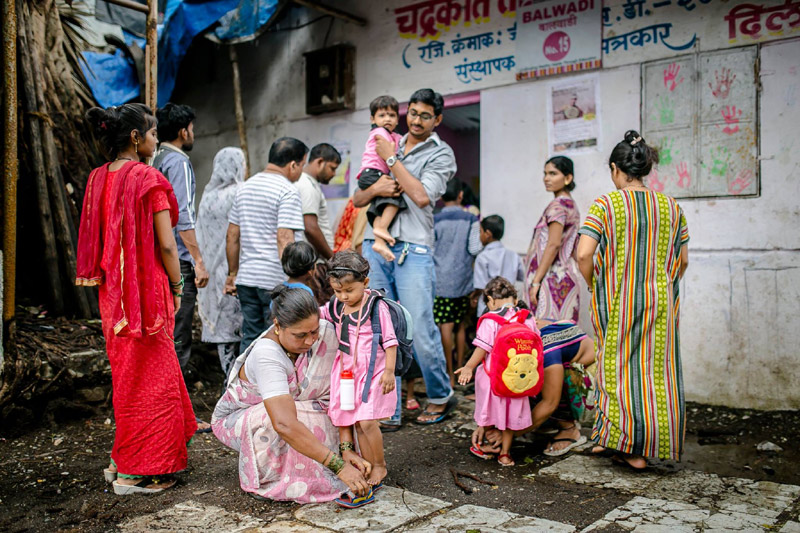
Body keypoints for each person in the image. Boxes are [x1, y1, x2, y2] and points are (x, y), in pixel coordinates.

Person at [78, 104, 197, 494]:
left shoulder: (97, 179)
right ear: (135, 137)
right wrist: (178, 287)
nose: (156, 139)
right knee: (156, 382)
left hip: (114, 298)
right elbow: (167, 244)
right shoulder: (148, 177)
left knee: (128, 379)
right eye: (152, 132)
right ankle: (138, 472)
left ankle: (121, 459)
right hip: (146, 295)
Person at [576, 130, 689, 469]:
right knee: (655, 373)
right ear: (645, 168)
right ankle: (614, 437)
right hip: (660, 302)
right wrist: (664, 287)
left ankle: (632, 449)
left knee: (616, 369)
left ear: (616, 169)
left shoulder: (606, 204)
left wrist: (595, 283)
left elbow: (584, 254)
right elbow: (682, 260)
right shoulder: (671, 206)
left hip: (618, 302)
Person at [353, 88, 457, 426]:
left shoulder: (441, 153)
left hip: (413, 247)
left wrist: (392, 160)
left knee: (421, 328)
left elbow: (422, 196)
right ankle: (390, 409)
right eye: (412, 112)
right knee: (380, 329)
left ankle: (441, 396)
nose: (416, 120)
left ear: (437, 119)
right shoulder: (386, 139)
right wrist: (376, 189)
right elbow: (358, 198)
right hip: (376, 244)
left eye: (425, 115)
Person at [211, 286, 372, 502]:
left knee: (322, 411)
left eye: (313, 331)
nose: (310, 341)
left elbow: (336, 395)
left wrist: (346, 447)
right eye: (300, 335)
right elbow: (284, 423)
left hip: (296, 409)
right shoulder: (266, 355)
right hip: (242, 419)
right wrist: (338, 467)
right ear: (277, 325)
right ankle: (279, 481)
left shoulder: (324, 332)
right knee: (286, 418)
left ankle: (324, 470)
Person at [465, 285, 596, 462]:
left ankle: (569, 429)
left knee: (546, 385)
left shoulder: (545, 349)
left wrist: (510, 433)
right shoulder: (522, 331)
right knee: (516, 378)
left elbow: (550, 402)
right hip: (554, 361)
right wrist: (486, 424)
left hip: (587, 374)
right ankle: (540, 422)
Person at [320, 251, 398, 505]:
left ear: (365, 283)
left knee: (366, 422)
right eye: (337, 291)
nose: (343, 297)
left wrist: (389, 371)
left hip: (373, 373)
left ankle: (380, 464)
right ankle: (367, 460)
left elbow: (390, 342)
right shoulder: (336, 306)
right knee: (355, 421)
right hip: (347, 374)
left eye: (349, 291)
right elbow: (318, 314)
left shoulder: (378, 307)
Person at [224, 137, 307, 353]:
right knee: (276, 338)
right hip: (273, 279)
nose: (300, 173)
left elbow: (232, 236)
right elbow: (284, 238)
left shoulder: (243, 188)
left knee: (250, 335)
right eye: (302, 166)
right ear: (293, 165)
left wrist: (232, 274)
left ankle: (243, 384)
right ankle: (270, 385)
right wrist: (292, 278)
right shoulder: (287, 191)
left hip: (246, 279)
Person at [152, 103, 209, 386]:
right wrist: (198, 261)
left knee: (161, 330)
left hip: (153, 259)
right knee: (179, 330)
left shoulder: (152, 158)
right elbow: (183, 216)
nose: (193, 134)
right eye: (192, 128)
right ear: (182, 131)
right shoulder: (178, 162)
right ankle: (176, 403)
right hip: (176, 260)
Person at [455, 277, 539, 466]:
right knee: (510, 418)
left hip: (494, 379)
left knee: (491, 410)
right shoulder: (527, 317)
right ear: (515, 300)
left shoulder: (491, 320)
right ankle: (505, 454)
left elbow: (482, 348)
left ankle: (486, 443)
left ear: (490, 301)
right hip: (519, 380)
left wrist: (468, 367)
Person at [196, 147, 246, 381]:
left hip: (212, 273)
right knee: (244, 331)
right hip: (236, 271)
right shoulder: (241, 192)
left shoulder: (207, 197)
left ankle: (228, 379)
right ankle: (241, 386)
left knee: (224, 332)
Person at [434, 178, 482, 383]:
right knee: (461, 326)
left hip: (440, 281)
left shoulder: (434, 219)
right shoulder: (470, 219)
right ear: (460, 195)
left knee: (445, 326)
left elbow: (429, 247)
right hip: (462, 280)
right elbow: (474, 248)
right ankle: (462, 371)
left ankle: (448, 375)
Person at [524, 156, 582, 322]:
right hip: (564, 278)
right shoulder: (571, 204)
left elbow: (554, 244)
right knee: (564, 338)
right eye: (545, 174)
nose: (546, 178)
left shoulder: (558, 206)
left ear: (568, 178)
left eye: (553, 173)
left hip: (551, 281)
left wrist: (535, 282)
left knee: (547, 338)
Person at [357, 95, 404, 262]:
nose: (387, 119)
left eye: (392, 115)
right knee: (396, 195)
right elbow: (390, 150)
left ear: (398, 119)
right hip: (373, 173)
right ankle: (383, 227)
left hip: (371, 174)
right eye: (382, 115)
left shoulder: (390, 134)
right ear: (373, 119)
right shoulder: (379, 132)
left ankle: (379, 241)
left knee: (377, 206)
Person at [473, 215, 524, 316]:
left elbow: (480, 286)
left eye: (480, 232)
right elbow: (521, 276)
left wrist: (473, 297)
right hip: (509, 307)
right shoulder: (513, 255)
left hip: (488, 308)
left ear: (487, 234)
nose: (480, 236)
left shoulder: (482, 257)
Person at [296, 143, 341, 260]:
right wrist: (332, 259)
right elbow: (310, 228)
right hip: (313, 262)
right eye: (332, 168)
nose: (334, 174)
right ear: (320, 162)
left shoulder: (309, 183)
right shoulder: (307, 185)